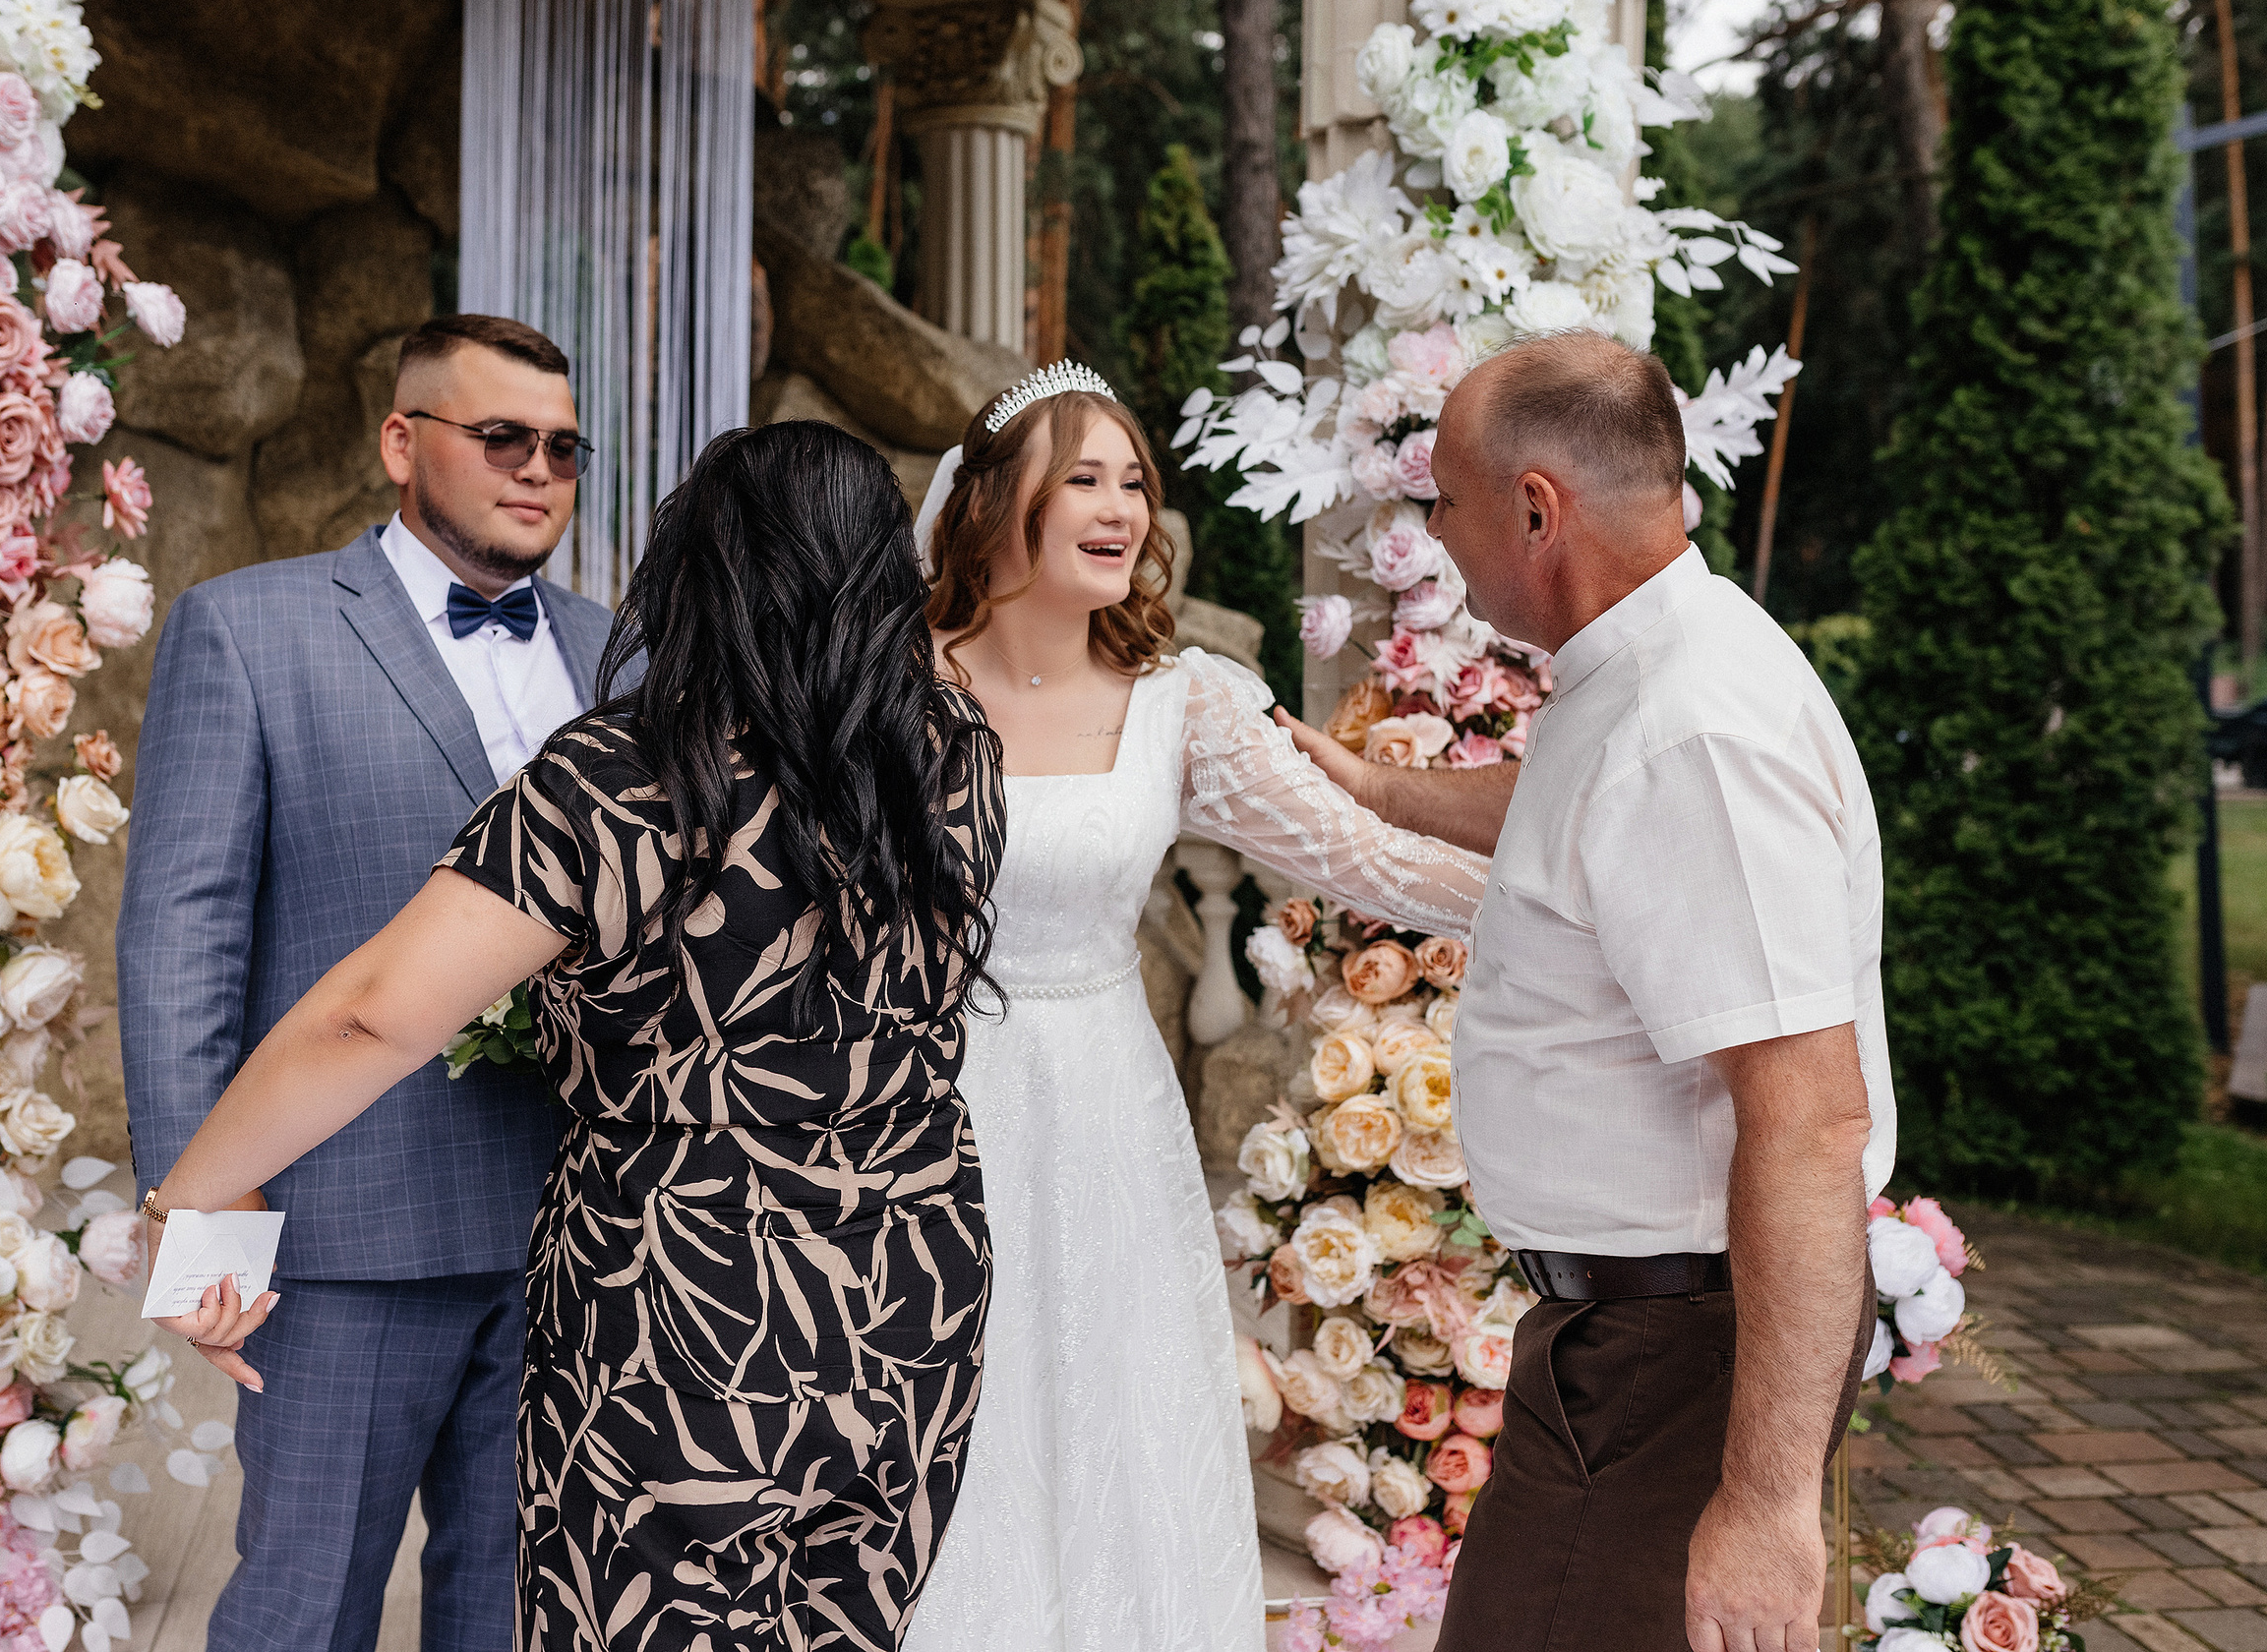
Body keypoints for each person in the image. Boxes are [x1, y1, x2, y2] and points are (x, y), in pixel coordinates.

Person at [144, 421, 1007, 1652]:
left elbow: (372, 1011)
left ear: (698, 566)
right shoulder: (952, 758)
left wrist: (190, 1202)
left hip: (693, 1277)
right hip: (911, 1273)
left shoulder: (633, 773)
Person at [1278, 329, 1890, 1651]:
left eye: (1444, 495)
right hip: (1636, 1338)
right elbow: (1570, 810)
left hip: (1683, 1351)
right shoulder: (1640, 675)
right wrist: (1378, 789)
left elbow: (1809, 1117)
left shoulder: (1694, 729)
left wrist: (1766, 1503)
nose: (1433, 527)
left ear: (1537, 507)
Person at [899, 364, 1491, 1652]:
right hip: (929, 1113)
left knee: (1121, 1412)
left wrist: (1568, 889)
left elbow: (1368, 858)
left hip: (1109, 1105)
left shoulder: (1188, 701)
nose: (1123, 508)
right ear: (998, 503)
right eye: (1085, 479)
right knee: (961, 1420)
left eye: (1135, 483)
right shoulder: (886, 692)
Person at [117, 314, 621, 1652]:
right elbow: (183, 933)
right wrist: (200, 1206)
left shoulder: (624, 651)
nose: (538, 471)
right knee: (303, 1610)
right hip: (343, 1235)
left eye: (564, 448)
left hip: (582, 1232)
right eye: (502, 436)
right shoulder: (247, 628)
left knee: (520, 1617)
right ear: (402, 440)